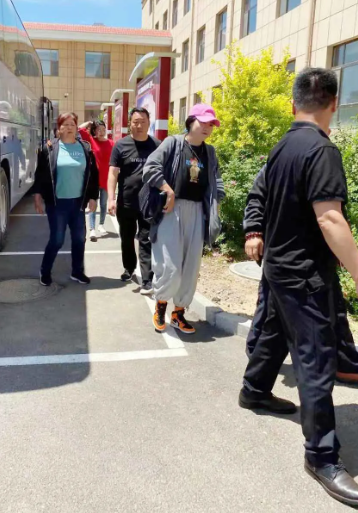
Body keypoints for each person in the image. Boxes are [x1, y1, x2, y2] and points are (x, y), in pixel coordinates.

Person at [238, 68, 358, 507]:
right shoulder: (322, 150)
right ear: (333, 104)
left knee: (273, 332)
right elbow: (330, 218)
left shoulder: (282, 146)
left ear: (293, 104)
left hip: (278, 267)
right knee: (316, 361)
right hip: (304, 273)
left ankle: (254, 390)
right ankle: (321, 457)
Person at [244, 165, 358, 384]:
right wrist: (253, 231)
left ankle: (343, 361)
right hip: (282, 250)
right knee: (270, 308)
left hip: (317, 251)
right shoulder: (282, 159)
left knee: (333, 305)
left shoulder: (322, 160)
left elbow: (333, 211)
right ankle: (257, 359)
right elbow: (257, 197)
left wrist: (341, 248)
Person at [143, 104, 225, 334]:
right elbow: (150, 167)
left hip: (198, 211)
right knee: (170, 265)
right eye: (204, 122)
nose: (208, 127)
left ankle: (178, 314)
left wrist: (216, 203)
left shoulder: (210, 152)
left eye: (211, 124)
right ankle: (161, 306)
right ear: (191, 121)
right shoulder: (173, 143)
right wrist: (167, 190)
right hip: (172, 209)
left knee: (191, 266)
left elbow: (217, 181)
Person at [34, 112, 99, 286]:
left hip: (78, 203)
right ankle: (45, 271)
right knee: (57, 240)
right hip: (57, 203)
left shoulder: (85, 148)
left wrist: (93, 197)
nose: (69, 128)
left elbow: (93, 174)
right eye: (65, 124)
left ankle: (77, 271)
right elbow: (40, 174)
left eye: (72, 124)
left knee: (79, 239)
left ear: (77, 128)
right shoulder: (50, 149)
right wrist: (37, 196)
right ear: (59, 128)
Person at [108, 107, 160, 295]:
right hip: (126, 202)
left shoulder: (157, 145)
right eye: (135, 122)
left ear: (149, 123)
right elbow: (113, 173)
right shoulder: (121, 145)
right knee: (127, 238)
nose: (139, 125)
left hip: (149, 203)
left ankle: (147, 279)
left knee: (146, 240)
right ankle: (129, 268)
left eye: (143, 122)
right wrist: (111, 199)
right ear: (130, 123)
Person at [79, 119, 114, 242]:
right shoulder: (91, 141)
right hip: (93, 179)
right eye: (99, 129)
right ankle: (92, 229)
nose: (101, 132)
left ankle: (101, 224)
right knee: (93, 203)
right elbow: (79, 130)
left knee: (103, 204)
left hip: (106, 178)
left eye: (103, 129)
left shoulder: (111, 143)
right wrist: (89, 122)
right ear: (94, 130)